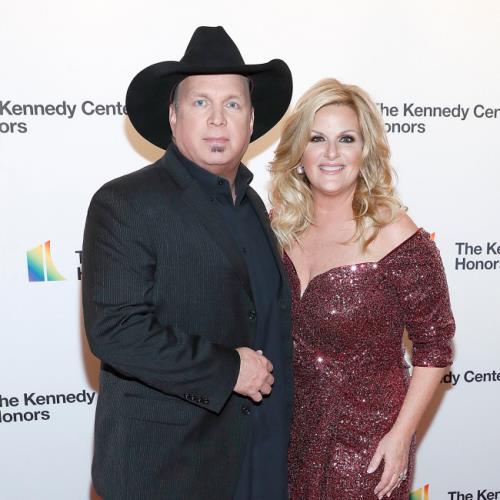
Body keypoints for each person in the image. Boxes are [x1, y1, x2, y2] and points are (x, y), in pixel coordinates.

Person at [82, 26, 293, 500]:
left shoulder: (255, 206)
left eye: (232, 104)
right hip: (167, 472)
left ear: (251, 120)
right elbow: (115, 330)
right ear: (174, 116)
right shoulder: (125, 202)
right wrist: (228, 370)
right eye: (201, 102)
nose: (217, 118)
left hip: (258, 458)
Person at [269, 78, 455, 499]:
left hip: (368, 443)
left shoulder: (397, 236)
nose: (331, 153)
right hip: (287, 434)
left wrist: (401, 437)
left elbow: (435, 344)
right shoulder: (277, 229)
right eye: (317, 138)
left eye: (346, 139)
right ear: (299, 152)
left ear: (364, 151)